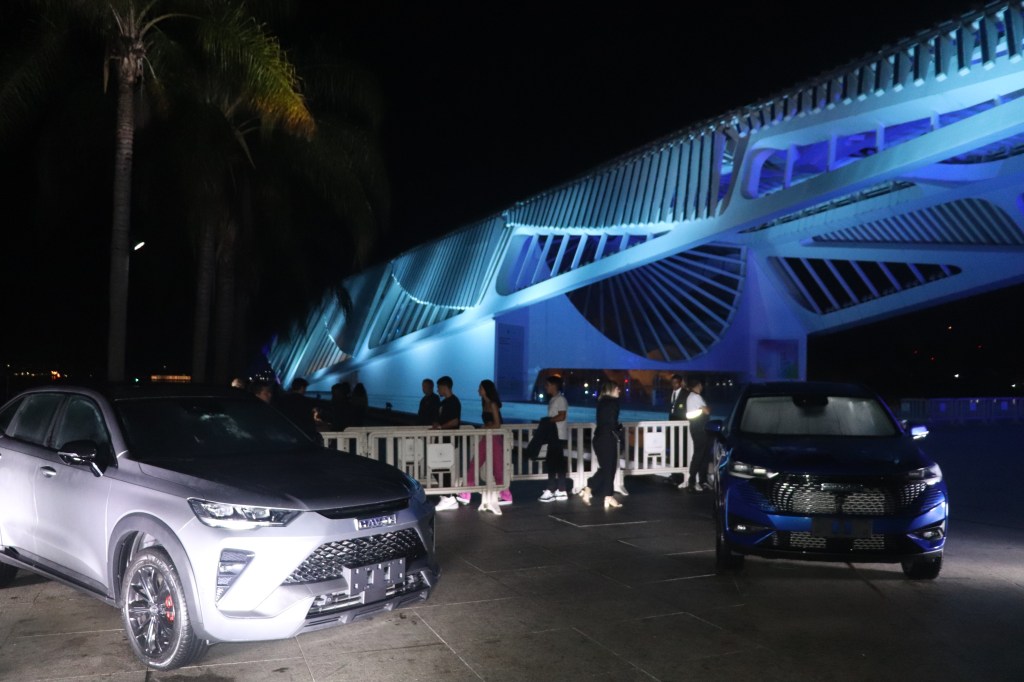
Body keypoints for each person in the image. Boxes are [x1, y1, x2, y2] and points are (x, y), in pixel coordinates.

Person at [457, 380, 512, 511]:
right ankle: (466, 493)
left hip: (495, 437)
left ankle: (506, 495)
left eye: (480, 388)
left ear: (486, 390)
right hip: (487, 436)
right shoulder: (485, 403)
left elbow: (497, 424)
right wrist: (485, 427)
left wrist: (486, 427)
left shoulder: (492, 404)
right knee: (474, 463)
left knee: (497, 468)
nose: (478, 390)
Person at [524, 375, 569, 502]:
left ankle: (553, 489)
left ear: (554, 386)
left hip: (558, 436)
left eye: (548, 385)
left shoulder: (560, 399)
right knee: (556, 463)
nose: (546, 387)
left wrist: (547, 421)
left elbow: (562, 416)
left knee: (553, 462)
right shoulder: (554, 399)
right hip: (554, 435)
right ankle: (560, 489)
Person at [580, 380, 623, 508]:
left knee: (607, 468)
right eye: (617, 388)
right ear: (611, 390)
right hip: (607, 439)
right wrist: (619, 429)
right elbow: (612, 423)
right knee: (608, 468)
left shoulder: (601, 402)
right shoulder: (613, 402)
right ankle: (590, 488)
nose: (619, 390)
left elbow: (604, 421)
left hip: (599, 438)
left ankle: (607, 496)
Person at [433, 376, 462, 510]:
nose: (437, 390)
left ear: (444, 387)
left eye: (438, 387)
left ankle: (449, 497)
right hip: (442, 440)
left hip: (448, 440)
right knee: (437, 467)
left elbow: (455, 421)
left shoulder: (454, 402)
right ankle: (448, 496)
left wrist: (440, 427)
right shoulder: (444, 402)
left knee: (441, 468)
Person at [685, 377, 712, 492]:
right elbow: (707, 411)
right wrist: (707, 408)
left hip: (696, 428)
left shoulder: (690, 397)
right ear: (699, 385)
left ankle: (701, 481)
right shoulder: (696, 397)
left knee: (702, 455)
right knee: (700, 455)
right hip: (700, 429)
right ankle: (694, 482)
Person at [667, 373, 690, 489]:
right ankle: (674, 474)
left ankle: (679, 476)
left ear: (680, 383)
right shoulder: (671, 393)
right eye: (672, 383)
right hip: (673, 428)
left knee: (681, 452)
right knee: (674, 451)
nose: (674, 385)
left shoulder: (686, 394)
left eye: (676, 383)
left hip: (682, 429)